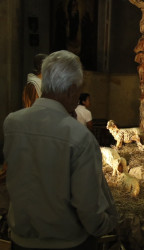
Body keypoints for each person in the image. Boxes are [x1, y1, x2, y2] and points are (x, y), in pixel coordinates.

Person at [3, 50, 118, 249]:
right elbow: (89, 210)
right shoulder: (79, 137)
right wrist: (109, 224)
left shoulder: (12, 123)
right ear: (71, 90)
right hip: (67, 244)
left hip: (20, 241)